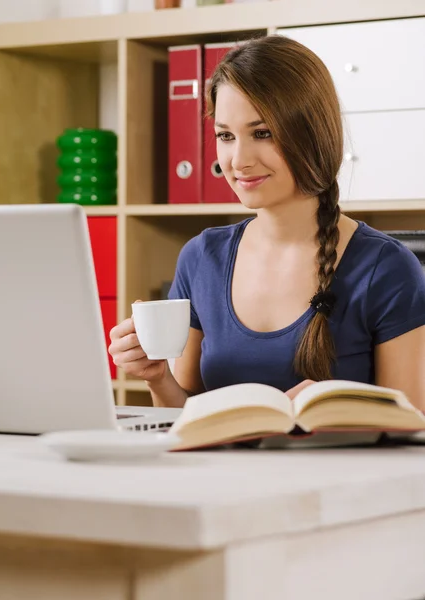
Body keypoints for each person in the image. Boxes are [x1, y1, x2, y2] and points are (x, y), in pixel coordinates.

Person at [109, 34, 425, 410]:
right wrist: (158, 378)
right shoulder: (201, 258)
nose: (238, 160)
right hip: (218, 470)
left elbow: (410, 432)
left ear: (312, 134)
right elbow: (184, 419)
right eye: (225, 136)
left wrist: (338, 409)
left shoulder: (386, 268)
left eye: (262, 133)